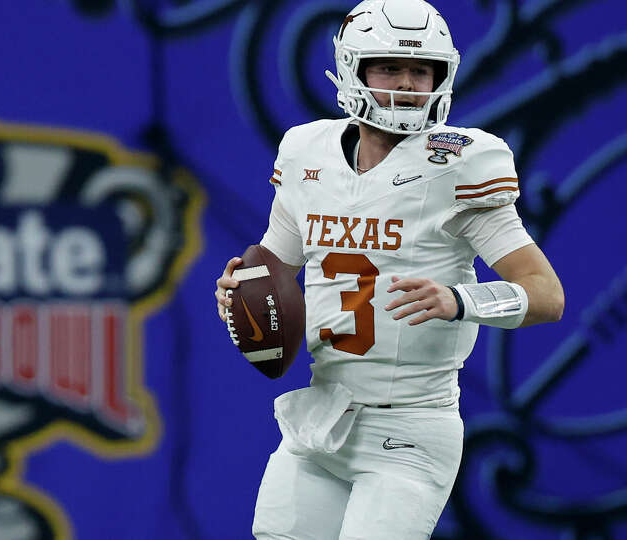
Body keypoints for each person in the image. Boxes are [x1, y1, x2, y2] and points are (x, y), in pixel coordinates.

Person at [213, 0, 565, 538]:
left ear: (441, 77)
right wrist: (239, 292)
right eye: (389, 67)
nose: (406, 84)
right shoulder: (307, 153)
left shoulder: (461, 163)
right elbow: (272, 270)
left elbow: (545, 294)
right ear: (352, 68)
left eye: (421, 70)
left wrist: (460, 301)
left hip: (411, 429)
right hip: (323, 415)